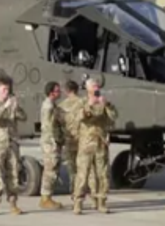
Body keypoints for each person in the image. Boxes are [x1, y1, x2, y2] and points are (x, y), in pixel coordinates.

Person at [71, 78, 117, 214]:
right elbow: (77, 117)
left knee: (102, 174)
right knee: (83, 174)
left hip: (101, 143)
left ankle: (101, 201)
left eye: (97, 86)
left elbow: (113, 117)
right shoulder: (82, 102)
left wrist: (107, 105)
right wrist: (88, 107)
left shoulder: (103, 101)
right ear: (88, 88)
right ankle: (78, 202)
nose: (96, 88)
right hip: (86, 143)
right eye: (94, 86)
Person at [0, 78, 24, 216]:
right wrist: (5, 107)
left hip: (11, 144)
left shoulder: (11, 103)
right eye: (4, 89)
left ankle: (13, 204)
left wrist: (16, 107)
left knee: (13, 175)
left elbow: (23, 117)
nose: (6, 92)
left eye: (8, 89)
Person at [35, 81, 69, 209]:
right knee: (50, 169)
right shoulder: (49, 106)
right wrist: (57, 139)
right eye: (57, 90)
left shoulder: (52, 105)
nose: (59, 92)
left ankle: (47, 197)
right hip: (50, 142)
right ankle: (45, 198)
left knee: (52, 168)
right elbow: (50, 127)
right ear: (51, 93)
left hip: (52, 141)